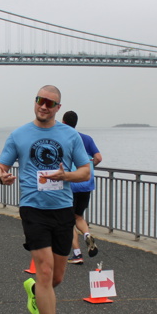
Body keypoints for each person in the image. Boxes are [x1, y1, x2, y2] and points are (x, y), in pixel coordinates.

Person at [0, 85, 91, 314]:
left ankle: (34, 290)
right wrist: (1, 177)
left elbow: (85, 170)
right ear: (35, 102)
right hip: (33, 209)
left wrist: (66, 176)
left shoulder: (70, 136)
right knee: (45, 270)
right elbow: (0, 166)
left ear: (58, 108)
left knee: (56, 278)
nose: (44, 106)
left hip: (62, 210)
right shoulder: (19, 134)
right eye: (40, 100)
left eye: (50, 103)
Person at [61, 110, 102, 264]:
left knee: (68, 221)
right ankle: (87, 235)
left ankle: (77, 254)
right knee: (79, 216)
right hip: (86, 183)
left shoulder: (64, 139)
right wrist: (89, 167)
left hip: (71, 184)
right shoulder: (87, 138)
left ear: (64, 123)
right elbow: (98, 158)